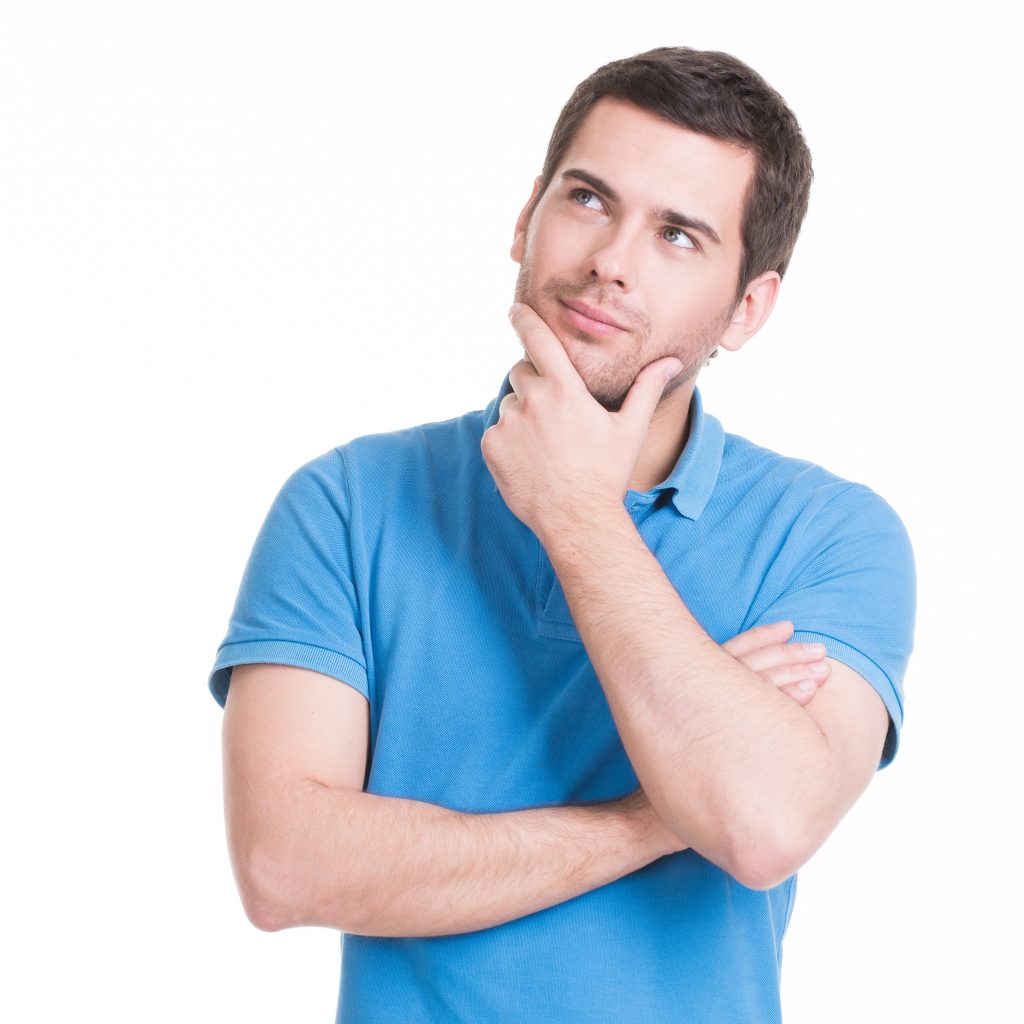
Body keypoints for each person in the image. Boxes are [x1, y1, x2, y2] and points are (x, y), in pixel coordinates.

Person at [208, 46, 915, 1023]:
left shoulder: (830, 535)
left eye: (677, 235)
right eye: (587, 200)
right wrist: (648, 822)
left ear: (747, 306)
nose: (609, 262)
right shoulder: (348, 502)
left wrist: (578, 514)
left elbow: (761, 825)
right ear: (524, 217)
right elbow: (283, 864)